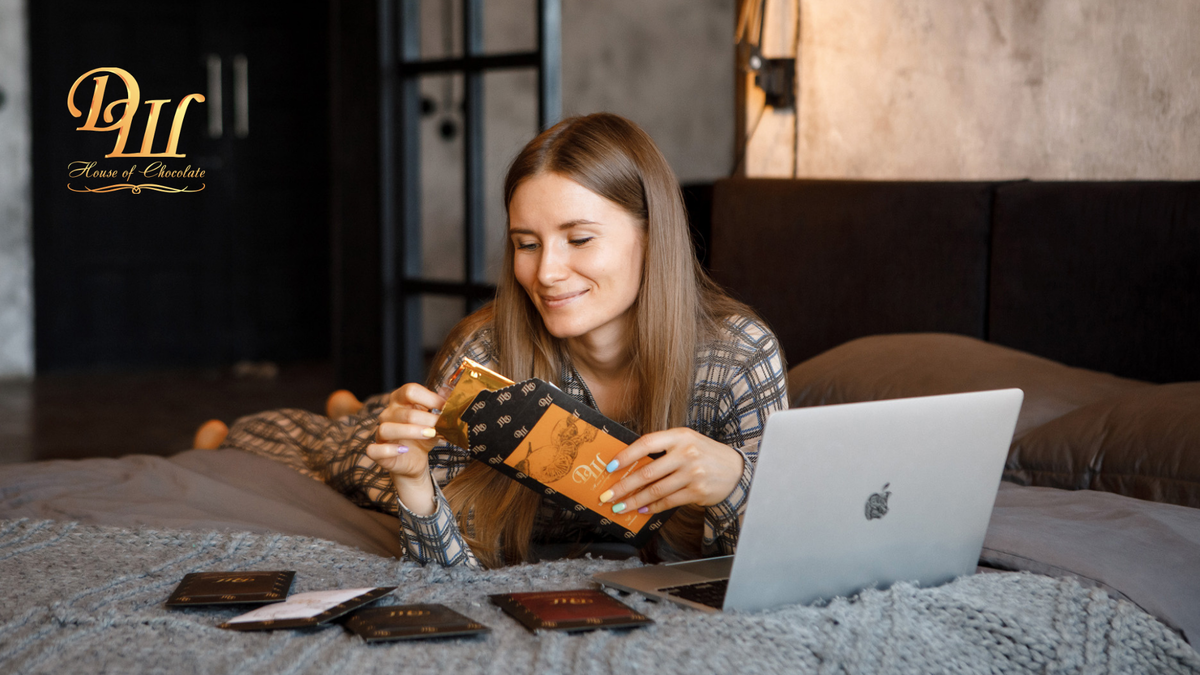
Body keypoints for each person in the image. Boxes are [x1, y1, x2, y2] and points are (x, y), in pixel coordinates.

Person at [218, 113, 787, 569]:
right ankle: (322, 417)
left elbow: (778, 557)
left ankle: (356, 403)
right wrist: (414, 483)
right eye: (527, 243)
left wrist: (735, 479)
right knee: (343, 449)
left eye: (580, 238)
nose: (547, 273)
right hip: (409, 439)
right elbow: (448, 569)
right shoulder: (485, 353)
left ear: (651, 235)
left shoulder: (739, 355)